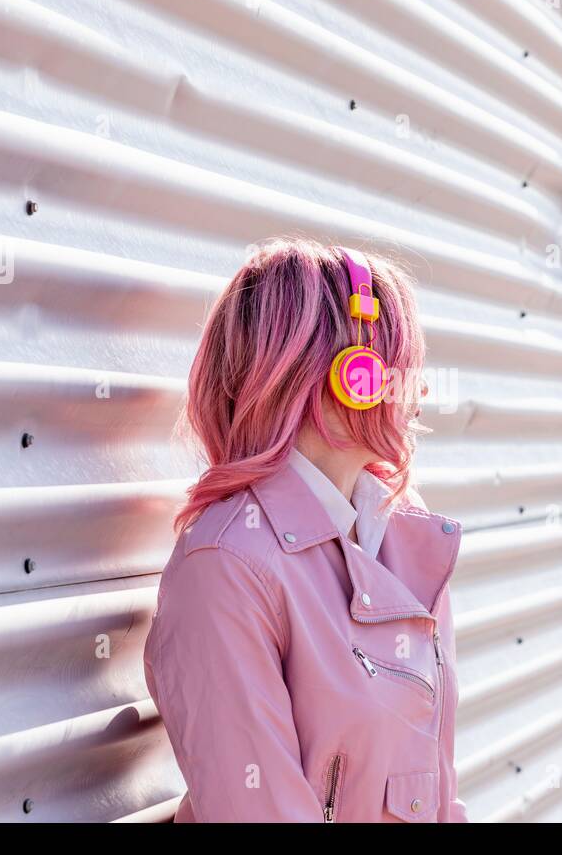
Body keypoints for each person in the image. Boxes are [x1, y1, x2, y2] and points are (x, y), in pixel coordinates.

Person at [142, 237, 469, 822]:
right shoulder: (228, 565)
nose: (420, 389)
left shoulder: (403, 536)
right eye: (405, 362)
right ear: (354, 376)